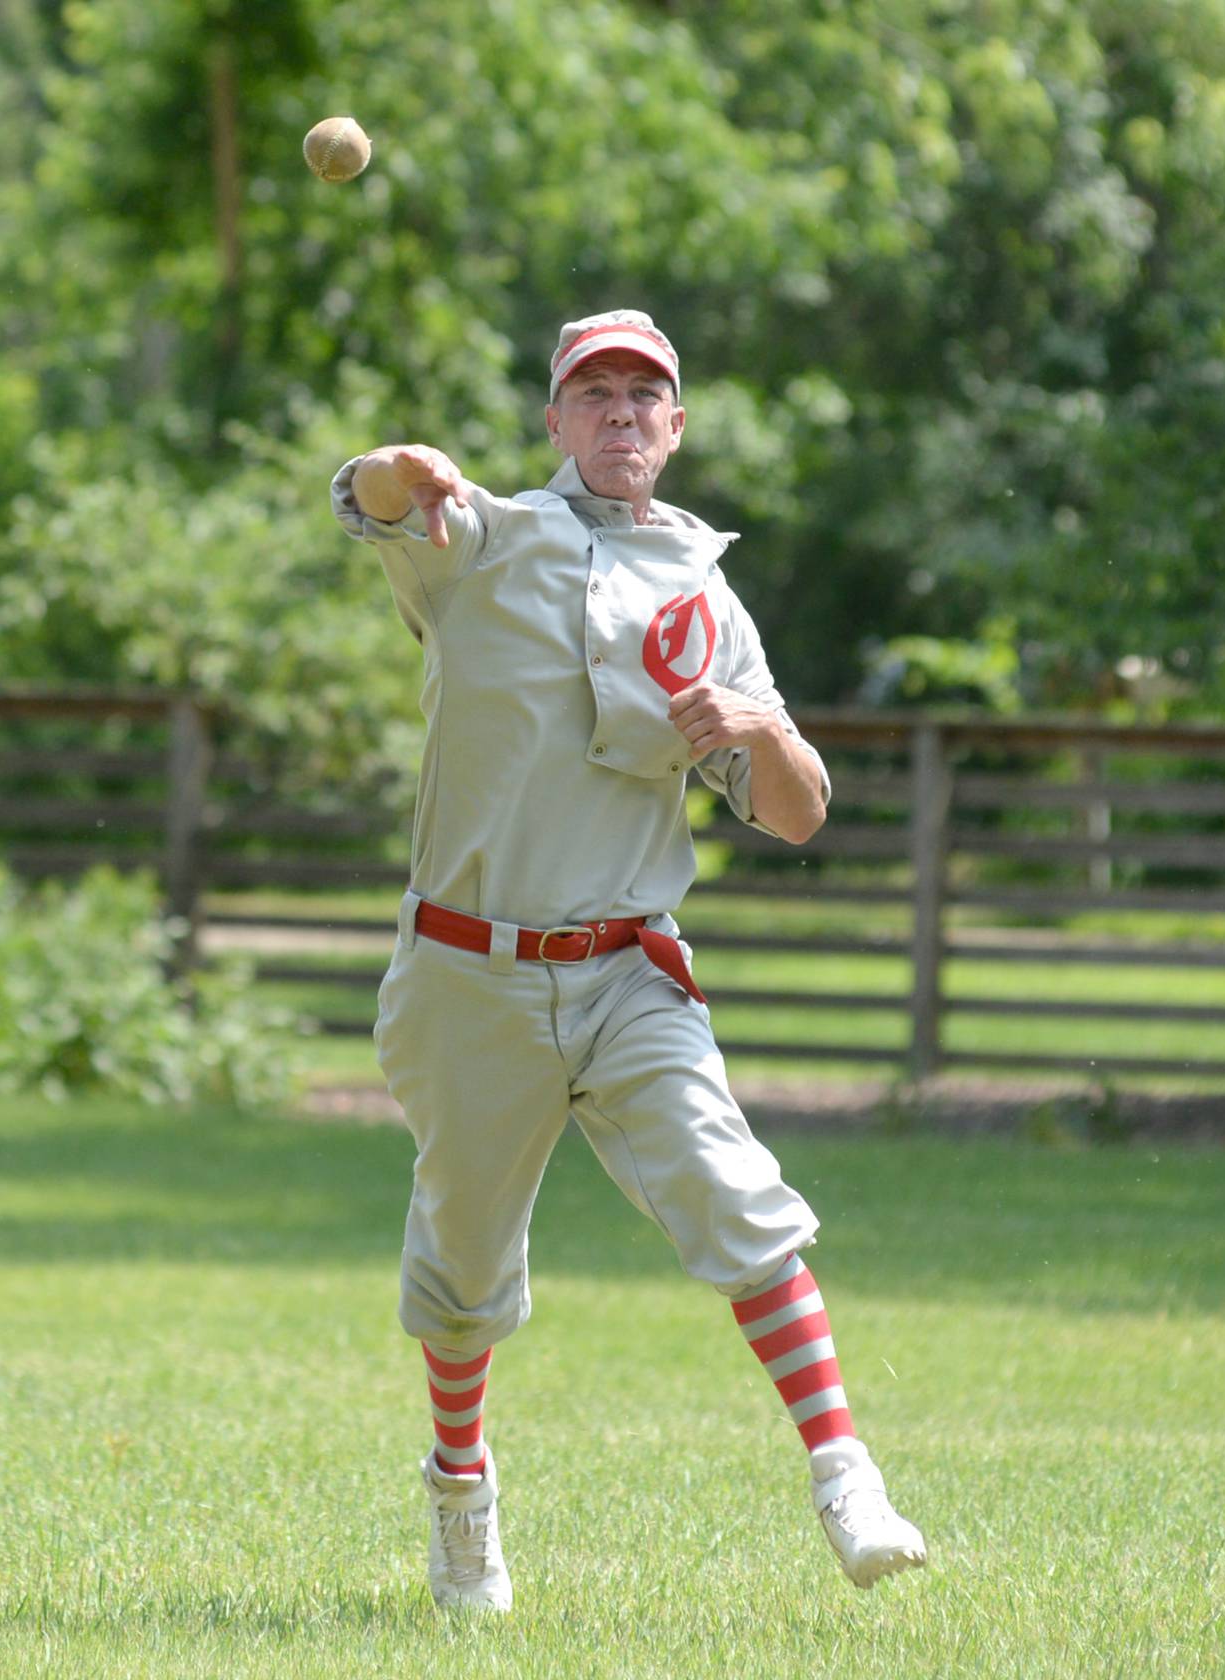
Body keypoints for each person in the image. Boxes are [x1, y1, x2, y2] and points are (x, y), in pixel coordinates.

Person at [331, 309, 925, 1611]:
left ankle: (845, 1473)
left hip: (626, 973)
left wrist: (757, 729)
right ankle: (459, 1490)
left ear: (675, 425)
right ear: (555, 421)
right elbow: (368, 502)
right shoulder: (482, 540)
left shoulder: (703, 598)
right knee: (463, 1280)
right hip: (467, 975)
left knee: (733, 1189)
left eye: (641, 397)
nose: (618, 415)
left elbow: (797, 808)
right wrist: (397, 468)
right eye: (591, 395)